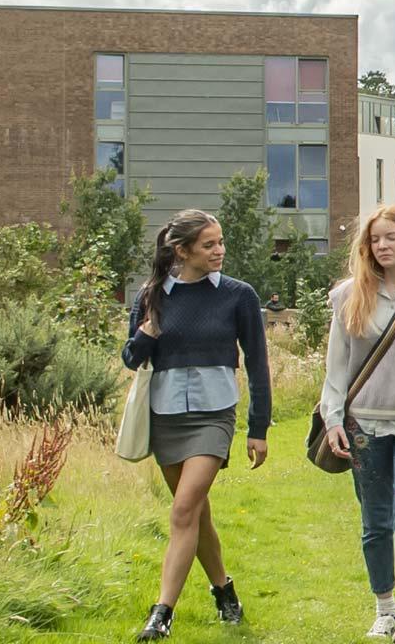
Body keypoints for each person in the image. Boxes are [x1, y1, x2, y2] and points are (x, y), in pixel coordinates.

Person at [120, 209, 272, 641]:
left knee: (184, 510)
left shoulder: (239, 296)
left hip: (214, 415)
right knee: (195, 514)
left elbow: (258, 364)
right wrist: (147, 334)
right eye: (209, 245)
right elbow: (130, 358)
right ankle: (224, 590)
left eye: (220, 242)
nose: (219, 250)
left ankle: (161, 613)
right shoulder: (151, 295)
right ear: (182, 251)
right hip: (165, 417)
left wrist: (258, 427)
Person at [319, 204, 395, 643]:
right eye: (375, 239)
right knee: (375, 519)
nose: (383, 246)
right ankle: (384, 610)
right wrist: (332, 418)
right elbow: (337, 366)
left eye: (391, 237)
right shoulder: (349, 295)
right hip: (364, 425)